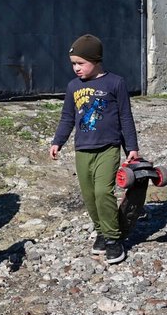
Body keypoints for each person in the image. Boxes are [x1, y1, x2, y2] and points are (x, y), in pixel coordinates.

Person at [49, 34, 140, 265]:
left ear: (96, 60)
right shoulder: (73, 87)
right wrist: (57, 141)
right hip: (83, 150)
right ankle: (101, 229)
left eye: (81, 63)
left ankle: (113, 239)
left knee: (102, 192)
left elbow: (125, 117)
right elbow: (67, 117)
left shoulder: (115, 83)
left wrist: (131, 147)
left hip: (108, 147)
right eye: (73, 64)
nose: (76, 68)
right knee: (89, 196)